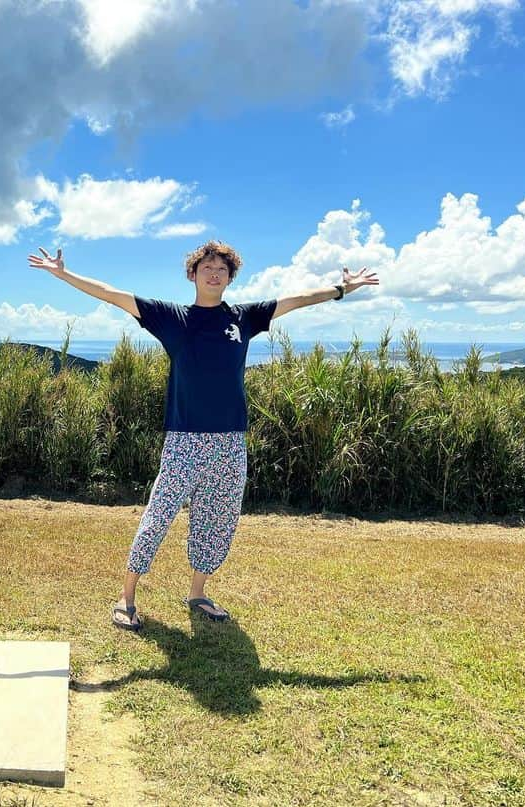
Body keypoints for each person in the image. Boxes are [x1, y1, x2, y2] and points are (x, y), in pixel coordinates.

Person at [27, 240, 379, 630]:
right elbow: (111, 295)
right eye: (207, 267)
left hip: (230, 439)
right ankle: (126, 597)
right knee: (159, 515)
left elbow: (297, 299)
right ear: (193, 274)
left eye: (222, 269)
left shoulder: (244, 317)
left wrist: (344, 289)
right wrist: (62, 274)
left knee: (217, 519)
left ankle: (197, 592)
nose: (215, 273)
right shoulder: (171, 317)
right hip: (185, 438)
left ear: (230, 278)